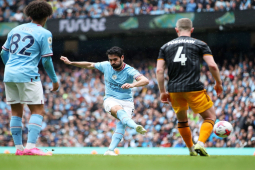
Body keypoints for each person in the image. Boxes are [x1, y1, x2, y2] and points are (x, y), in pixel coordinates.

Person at [60, 46, 149, 156]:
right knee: (118, 110)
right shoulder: (106, 65)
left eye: (115, 59)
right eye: (110, 60)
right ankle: (135, 126)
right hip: (110, 99)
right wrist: (71, 63)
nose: (112, 62)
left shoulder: (129, 70)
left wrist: (132, 84)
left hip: (127, 101)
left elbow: (145, 80)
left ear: (122, 57)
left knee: (122, 124)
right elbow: (89, 65)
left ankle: (110, 150)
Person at [156, 18, 223, 156]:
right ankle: (201, 143)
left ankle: (191, 149)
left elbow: (159, 71)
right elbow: (212, 65)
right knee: (210, 117)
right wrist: (218, 83)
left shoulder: (165, 47)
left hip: (174, 89)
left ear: (176, 30)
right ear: (192, 30)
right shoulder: (200, 44)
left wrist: (162, 91)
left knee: (182, 120)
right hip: (194, 88)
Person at [1, 1, 59, 156]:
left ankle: (19, 149)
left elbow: (3, 53)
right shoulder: (44, 33)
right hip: (27, 74)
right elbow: (46, 60)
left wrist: (12, 67)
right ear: (47, 16)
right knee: (38, 109)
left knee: (16, 111)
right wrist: (54, 80)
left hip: (9, 74)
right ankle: (31, 147)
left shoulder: (15, 29)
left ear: (30, 14)